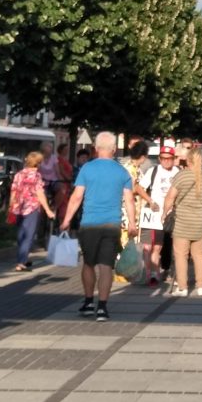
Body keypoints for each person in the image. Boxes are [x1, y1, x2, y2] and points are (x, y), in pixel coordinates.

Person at [60, 131, 137, 322]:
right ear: (113, 149)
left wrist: (66, 219)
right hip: (112, 224)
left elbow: (77, 196)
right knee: (106, 266)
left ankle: (88, 302)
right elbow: (129, 201)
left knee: (88, 263)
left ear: (96, 149)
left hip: (89, 224)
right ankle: (102, 307)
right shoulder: (122, 172)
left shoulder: (87, 168)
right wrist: (133, 224)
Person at [163, 149, 202, 296]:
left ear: (188, 160)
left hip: (182, 221)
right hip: (199, 221)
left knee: (181, 255)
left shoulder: (182, 176)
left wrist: (164, 213)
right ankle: (201, 286)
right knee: (199, 255)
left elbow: (170, 197)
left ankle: (183, 287)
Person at [8, 151, 56, 272]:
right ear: (38, 164)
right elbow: (40, 194)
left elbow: (13, 191)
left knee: (20, 234)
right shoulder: (37, 176)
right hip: (32, 208)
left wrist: (11, 207)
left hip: (18, 207)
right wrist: (48, 210)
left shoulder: (19, 174)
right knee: (29, 235)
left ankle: (22, 257)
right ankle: (21, 262)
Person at [141, 146, 179, 286]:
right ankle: (153, 274)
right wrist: (149, 200)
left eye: (169, 158)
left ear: (174, 159)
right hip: (155, 214)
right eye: (163, 158)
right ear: (159, 159)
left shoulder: (179, 172)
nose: (166, 161)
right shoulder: (153, 171)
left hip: (173, 214)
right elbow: (138, 187)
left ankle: (170, 270)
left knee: (172, 245)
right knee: (155, 246)